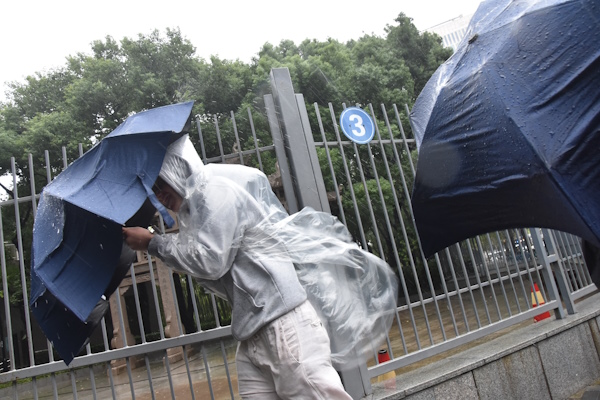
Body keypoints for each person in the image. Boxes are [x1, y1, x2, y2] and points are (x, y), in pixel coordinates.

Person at [123, 135, 354, 399]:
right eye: (152, 187)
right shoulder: (194, 211)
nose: (158, 195)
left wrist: (152, 243)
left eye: (160, 182)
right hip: (251, 331)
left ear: (177, 168)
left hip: (282, 325)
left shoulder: (216, 192)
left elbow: (209, 261)